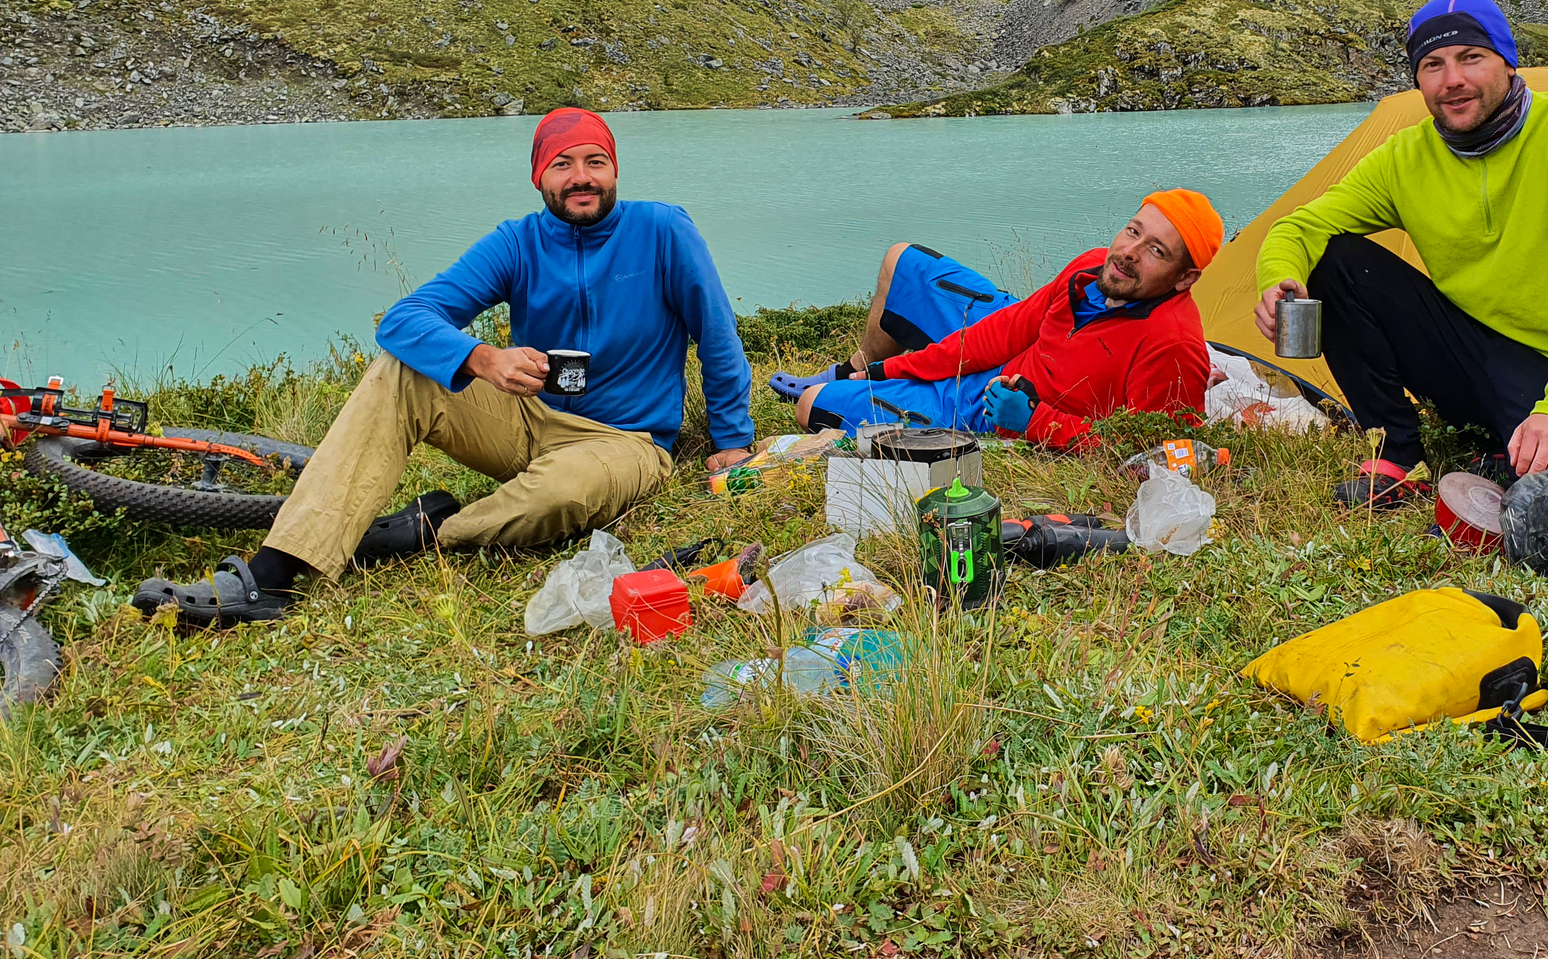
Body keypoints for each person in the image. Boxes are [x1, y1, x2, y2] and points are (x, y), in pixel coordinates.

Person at [135, 106, 755, 626]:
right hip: (525, 422)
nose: (581, 178)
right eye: (562, 165)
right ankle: (270, 577)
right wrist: (483, 358)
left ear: (614, 168)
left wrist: (732, 439)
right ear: (540, 177)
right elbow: (404, 319)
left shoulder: (663, 230)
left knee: (565, 493)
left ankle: (420, 534)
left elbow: (716, 331)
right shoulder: (517, 241)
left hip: (626, 442)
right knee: (402, 370)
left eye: (595, 161)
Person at [1254, 0, 1548, 477]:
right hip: (1464, 356)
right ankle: (1395, 453)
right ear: (1418, 79)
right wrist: (1277, 278)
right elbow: (1299, 226)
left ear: (1507, 61)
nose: (1453, 80)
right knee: (1334, 261)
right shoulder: (1405, 158)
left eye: (1471, 58)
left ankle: (1524, 443)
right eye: (1432, 64)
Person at [752, 190, 1224, 454]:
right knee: (903, 259)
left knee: (810, 406)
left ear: (1184, 279)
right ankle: (851, 368)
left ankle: (838, 387)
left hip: (994, 411)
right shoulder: (1090, 268)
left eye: (1155, 252)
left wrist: (1036, 421)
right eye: (1133, 231)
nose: (1128, 254)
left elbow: (1149, 454)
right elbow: (1009, 328)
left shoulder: (1172, 346)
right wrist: (884, 370)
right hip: (1010, 360)